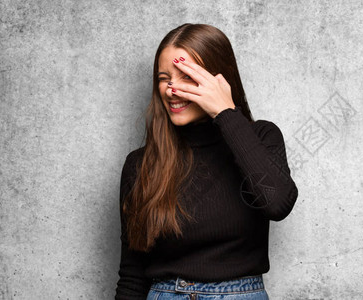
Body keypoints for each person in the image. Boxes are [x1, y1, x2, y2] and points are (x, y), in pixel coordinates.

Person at [115, 23, 298, 300]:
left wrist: (226, 111)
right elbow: (132, 275)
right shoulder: (141, 164)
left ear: (219, 81)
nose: (172, 89)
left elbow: (277, 203)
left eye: (187, 76)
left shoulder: (261, 137)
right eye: (164, 78)